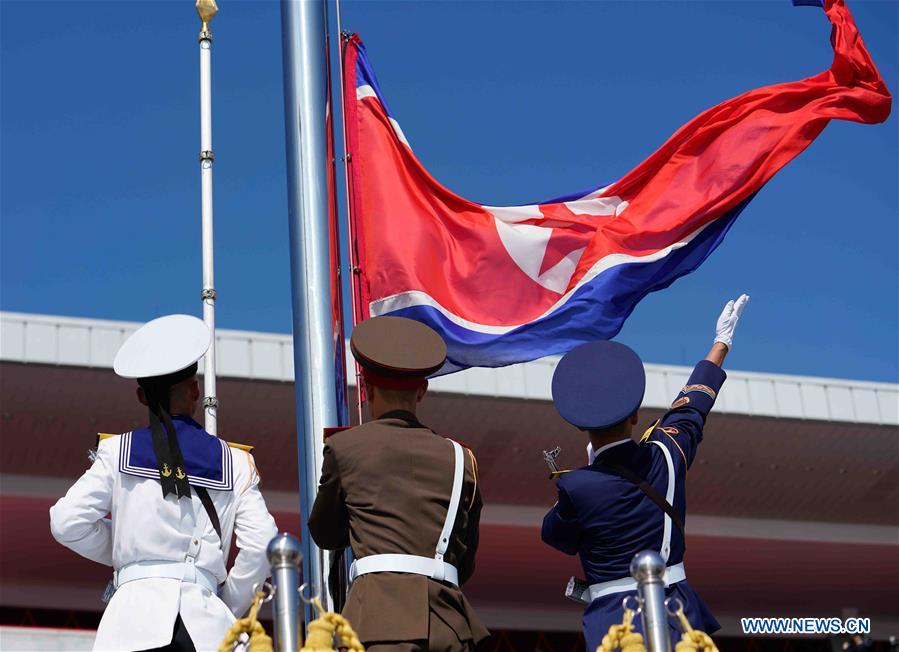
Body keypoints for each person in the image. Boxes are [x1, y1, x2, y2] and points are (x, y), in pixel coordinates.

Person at [50, 314, 278, 652]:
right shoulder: (236, 462)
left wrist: (128, 553)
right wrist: (221, 601)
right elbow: (263, 544)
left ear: (142, 396)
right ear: (195, 390)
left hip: (131, 627)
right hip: (208, 629)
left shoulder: (117, 451)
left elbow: (66, 522)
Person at [542, 295, 749, 650]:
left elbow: (555, 537)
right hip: (679, 619)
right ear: (635, 416)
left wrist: (589, 472)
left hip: (616, 629)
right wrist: (721, 344)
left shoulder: (576, 486)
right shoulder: (668, 454)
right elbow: (693, 408)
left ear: (582, 427)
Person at [309, 316, 488, 652]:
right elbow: (465, 560)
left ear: (367, 388)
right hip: (449, 624)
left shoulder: (345, 448)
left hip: (378, 622)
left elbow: (324, 533)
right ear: (422, 391)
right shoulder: (463, 459)